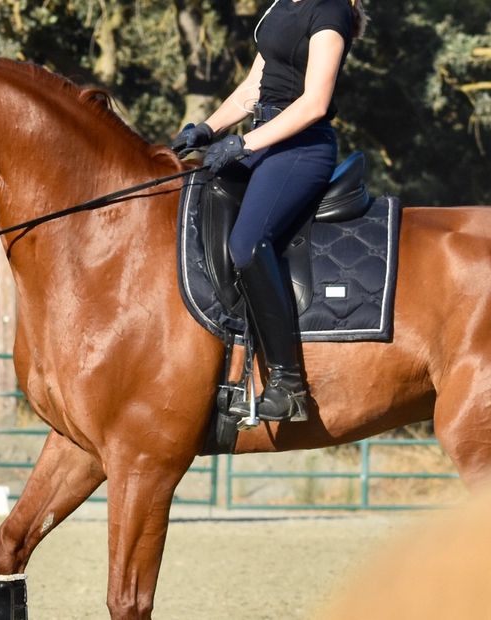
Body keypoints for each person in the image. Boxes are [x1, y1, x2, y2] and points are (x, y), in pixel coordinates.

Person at [172, 0, 367, 422]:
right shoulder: (279, 5)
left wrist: (244, 144)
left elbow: (314, 103)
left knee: (246, 243)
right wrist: (207, 128)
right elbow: (252, 87)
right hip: (263, 137)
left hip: (302, 146)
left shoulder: (329, 12)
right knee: (197, 198)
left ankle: (288, 383)